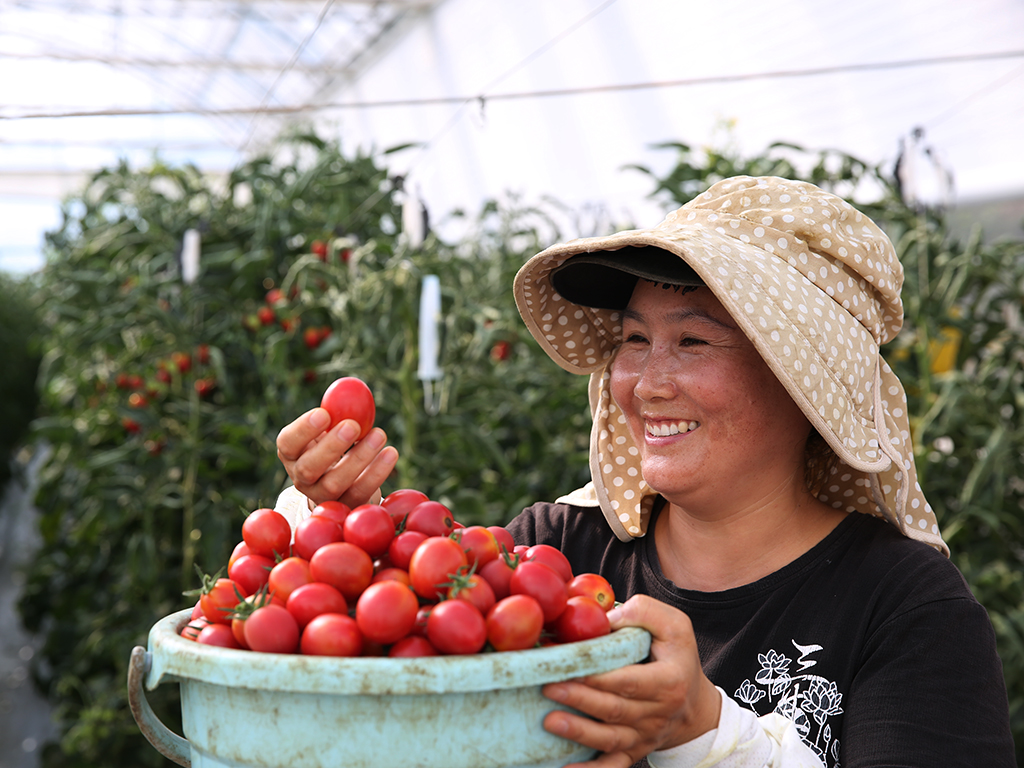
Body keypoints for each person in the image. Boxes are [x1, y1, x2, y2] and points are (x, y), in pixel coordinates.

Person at [275, 176, 1015, 768]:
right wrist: (340, 531)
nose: (645, 382)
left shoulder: (906, 610)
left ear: (806, 382)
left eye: (693, 340)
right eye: (634, 339)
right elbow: (389, 709)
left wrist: (705, 734)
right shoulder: (554, 553)